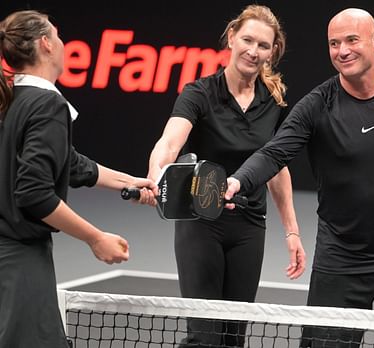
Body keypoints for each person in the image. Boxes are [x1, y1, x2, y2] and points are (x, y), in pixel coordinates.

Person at [225, 8, 374, 348]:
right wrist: (238, 181)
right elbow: (274, 153)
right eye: (334, 43)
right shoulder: (317, 105)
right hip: (340, 259)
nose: (342, 50)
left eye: (352, 40)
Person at [147, 4, 306, 347]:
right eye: (247, 40)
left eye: (263, 45)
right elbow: (170, 141)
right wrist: (155, 174)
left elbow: (277, 167)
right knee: (205, 337)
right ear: (232, 38)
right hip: (201, 223)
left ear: (272, 52)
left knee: (235, 337)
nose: (253, 51)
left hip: (250, 226)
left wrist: (291, 230)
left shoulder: (274, 103)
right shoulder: (199, 93)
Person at [0, 10, 158, 348]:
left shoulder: (12, 99)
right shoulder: (46, 105)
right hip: (19, 263)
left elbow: (70, 164)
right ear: (45, 44)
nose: (61, 42)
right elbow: (34, 193)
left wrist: (131, 181)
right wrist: (94, 237)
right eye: (57, 36)